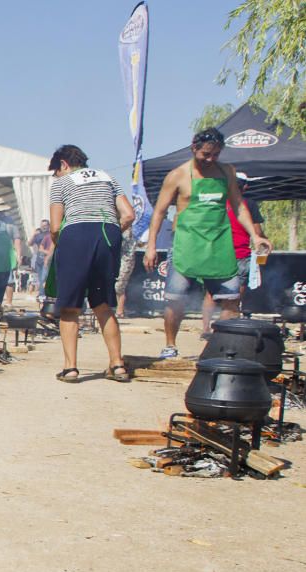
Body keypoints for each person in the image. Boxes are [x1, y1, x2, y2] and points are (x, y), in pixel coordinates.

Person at [143, 128, 272, 358]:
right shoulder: (178, 175)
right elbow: (159, 212)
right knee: (175, 299)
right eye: (206, 154)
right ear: (194, 148)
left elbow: (239, 206)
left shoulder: (227, 172)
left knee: (231, 299)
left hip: (219, 245)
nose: (211, 159)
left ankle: (220, 348)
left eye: (215, 155)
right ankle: (170, 345)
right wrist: (151, 246)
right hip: (186, 245)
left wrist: (255, 234)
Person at [48, 144, 135, 383]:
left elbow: (55, 226)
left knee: (69, 306)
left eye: (56, 170)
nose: (56, 175)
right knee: (103, 303)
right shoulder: (108, 177)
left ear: (63, 164)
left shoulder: (61, 183)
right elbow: (128, 214)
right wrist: (113, 232)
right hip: (109, 233)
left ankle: (71, 368)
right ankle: (117, 365)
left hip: (76, 235)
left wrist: (62, 245)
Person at [200, 171, 267, 336]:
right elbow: (257, 232)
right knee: (234, 297)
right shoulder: (249, 204)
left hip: (214, 255)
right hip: (240, 255)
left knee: (210, 294)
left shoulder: (215, 204)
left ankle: (206, 329)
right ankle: (223, 332)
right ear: (245, 186)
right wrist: (263, 241)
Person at [29, 220, 54, 299]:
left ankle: (42, 294)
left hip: (48, 259)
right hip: (39, 259)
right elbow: (29, 243)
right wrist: (33, 234)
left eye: (45, 225)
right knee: (40, 278)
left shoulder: (51, 235)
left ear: (49, 226)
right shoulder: (38, 235)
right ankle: (42, 293)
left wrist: (49, 254)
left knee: (44, 277)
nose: (44, 226)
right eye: (42, 225)